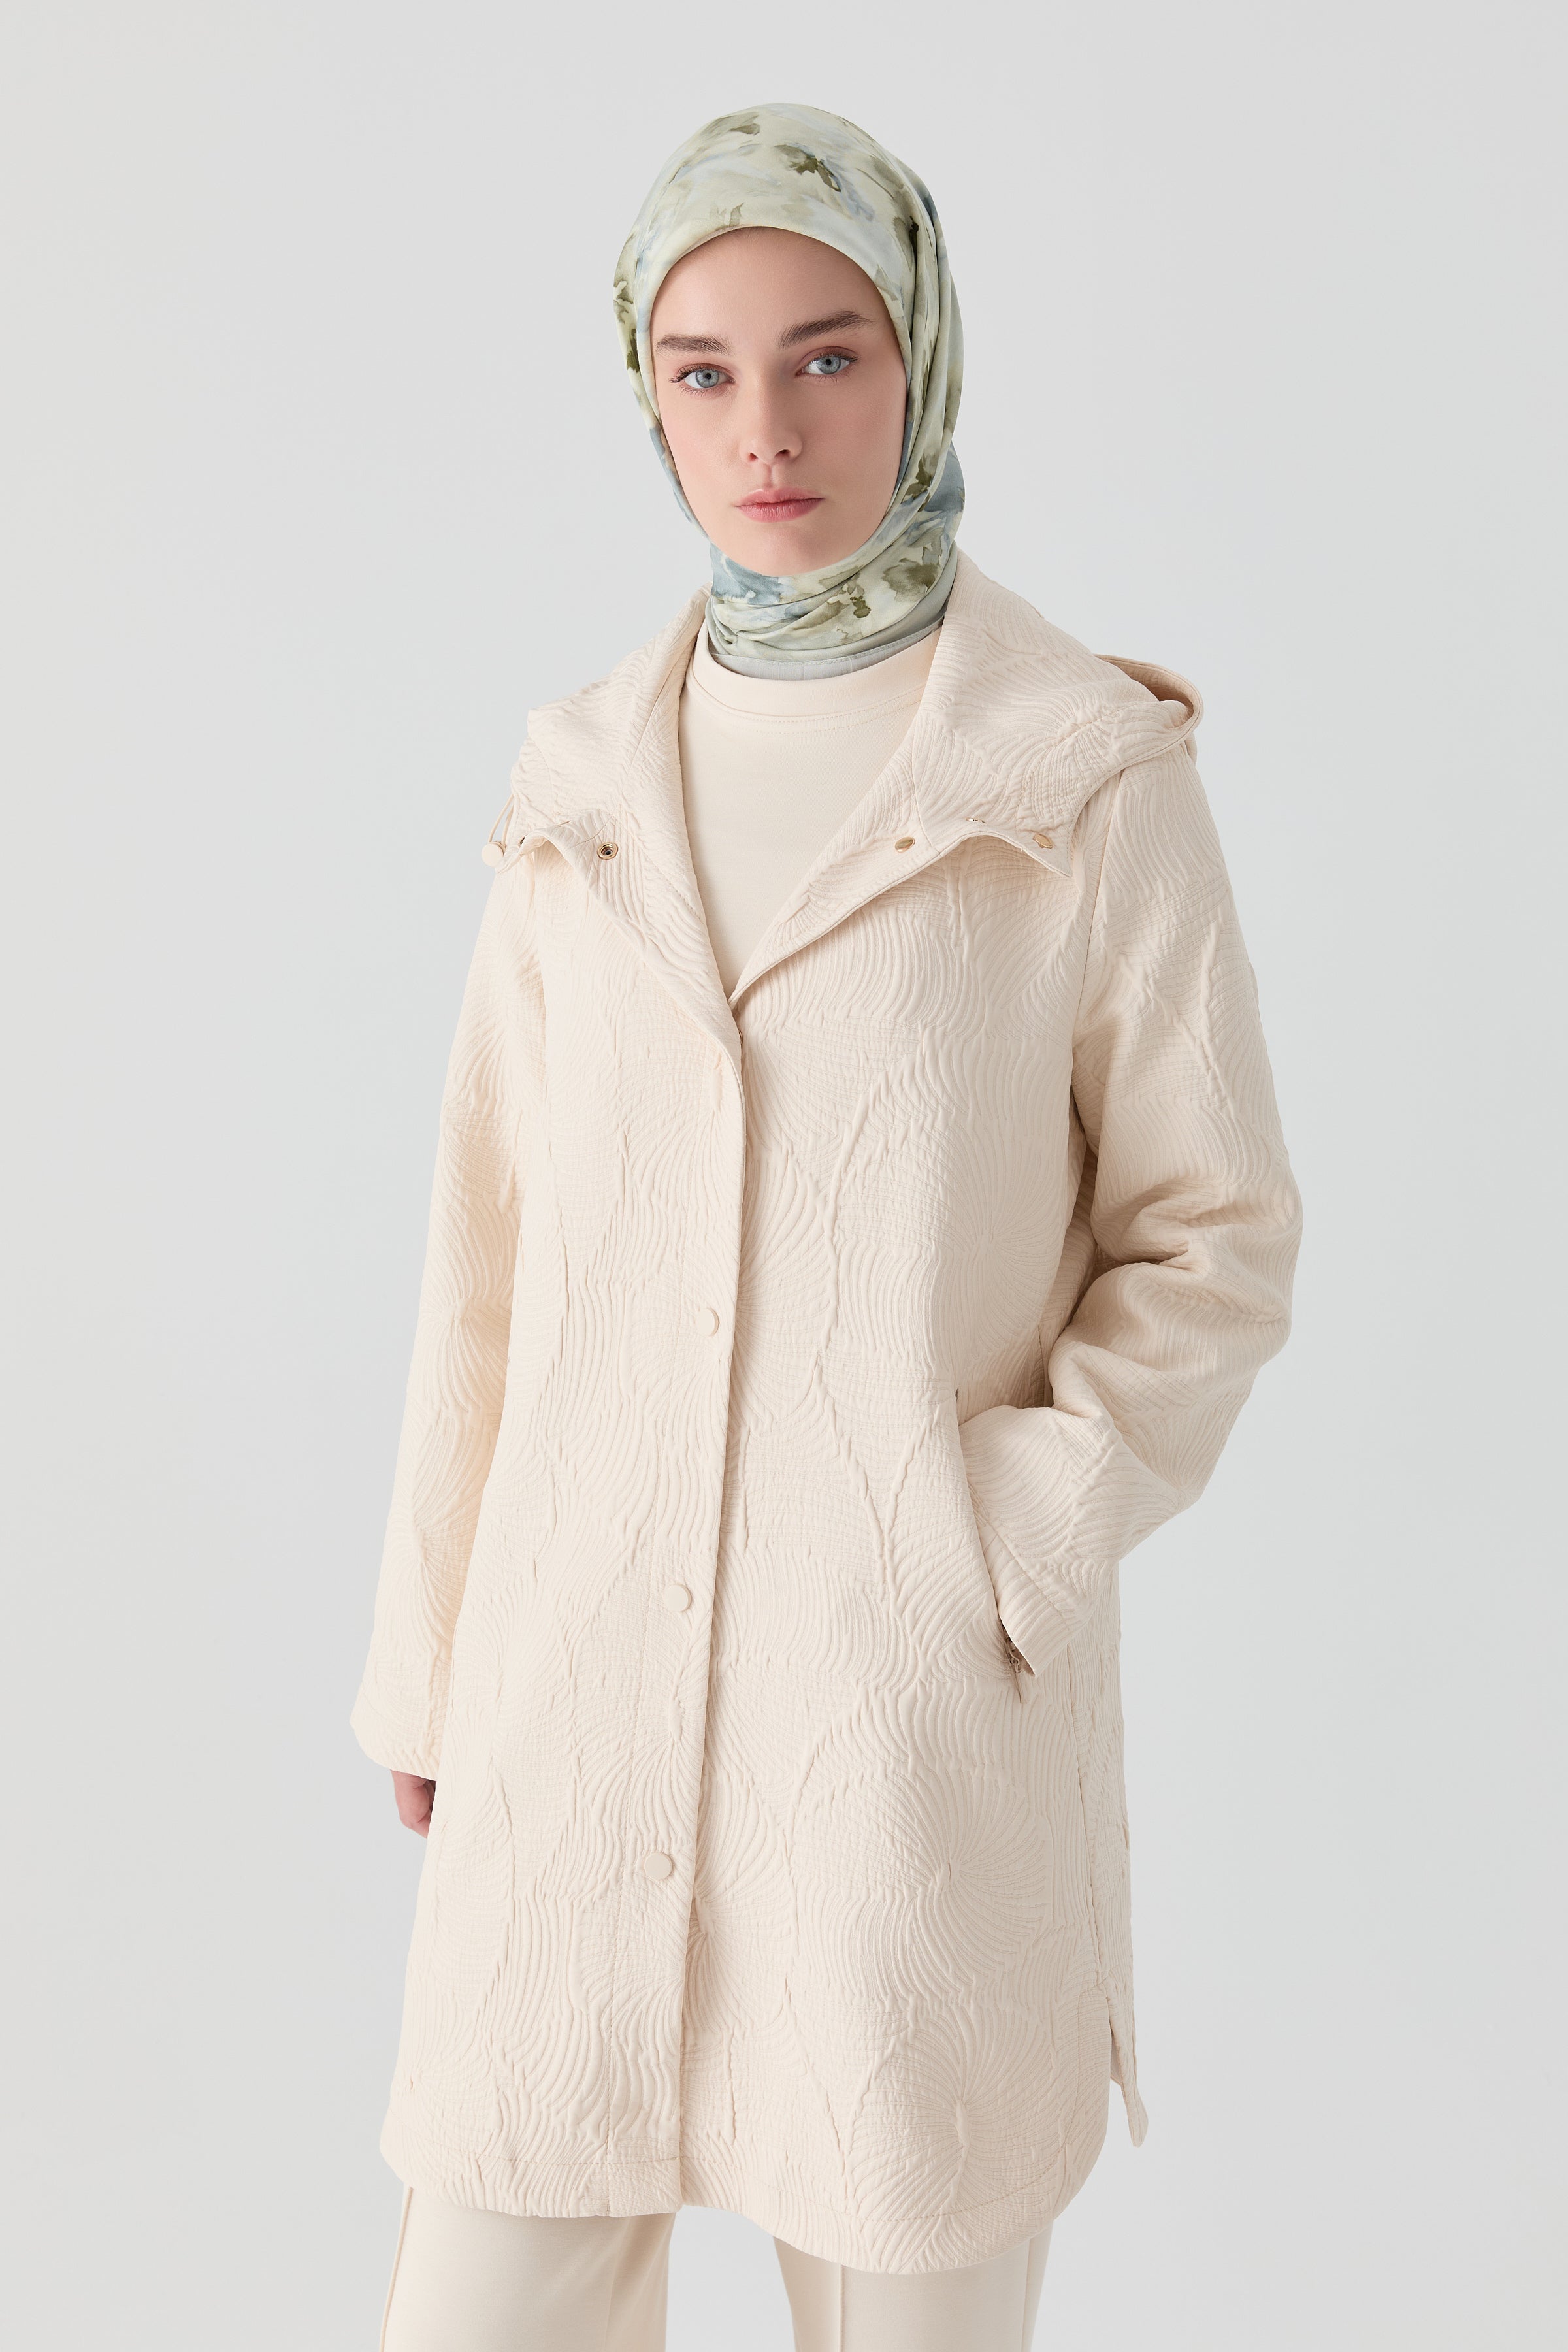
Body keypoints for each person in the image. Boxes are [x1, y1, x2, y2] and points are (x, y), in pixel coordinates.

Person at [353, 102, 1302, 2352]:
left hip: (899, 1735)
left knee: (903, 2275)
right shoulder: (578, 785)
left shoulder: (1081, 774)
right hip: (568, 1686)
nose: (763, 429)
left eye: (826, 357)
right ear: (647, 392)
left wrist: (1009, 1522)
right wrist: (431, 1652)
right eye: (702, 370)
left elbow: (1216, 1230)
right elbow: (485, 1247)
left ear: (922, 361)